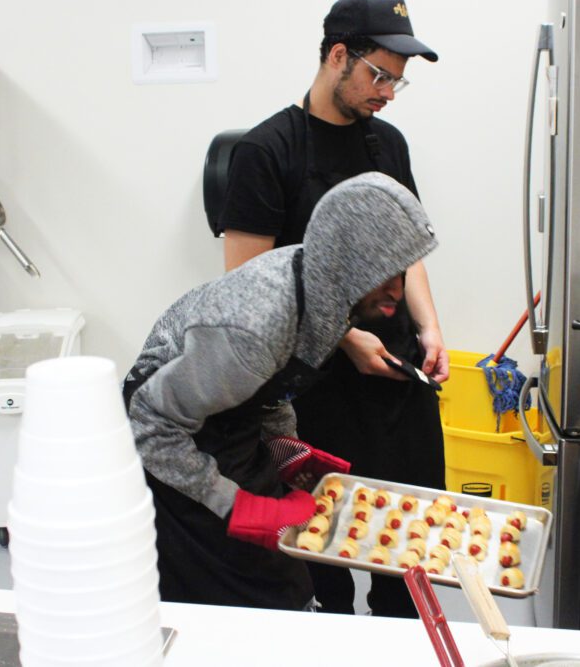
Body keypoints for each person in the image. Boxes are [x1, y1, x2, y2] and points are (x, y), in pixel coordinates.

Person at [218, 0, 448, 617]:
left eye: (398, 82)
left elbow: (408, 251)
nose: (387, 93)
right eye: (379, 75)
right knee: (325, 559)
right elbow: (247, 283)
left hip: (395, 376)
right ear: (337, 56)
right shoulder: (267, 153)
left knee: (409, 546)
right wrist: (346, 336)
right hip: (310, 389)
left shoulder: (387, 145)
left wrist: (429, 328)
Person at [124, 173, 438, 611]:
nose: (397, 294)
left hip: (225, 421)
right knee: (239, 596)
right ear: (346, 263)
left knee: (287, 582)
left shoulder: (328, 295)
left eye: (400, 273)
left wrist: (283, 446)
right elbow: (149, 426)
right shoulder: (255, 326)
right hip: (170, 441)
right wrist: (234, 505)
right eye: (383, 275)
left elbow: (275, 386)